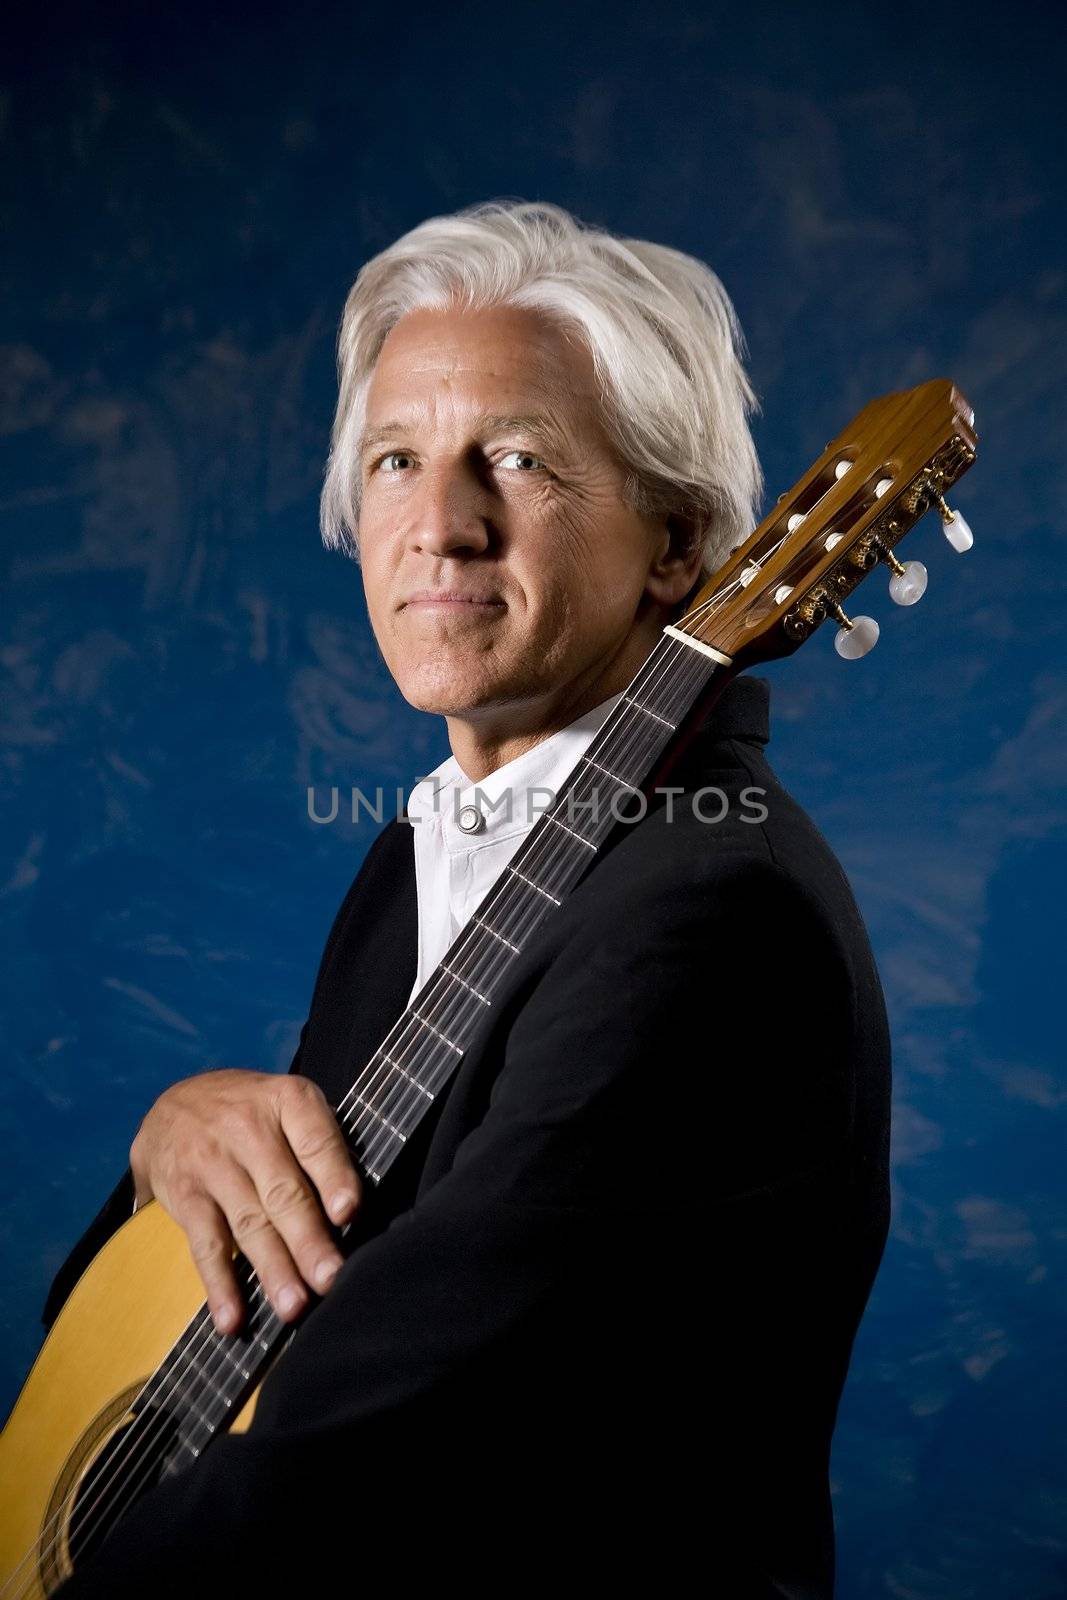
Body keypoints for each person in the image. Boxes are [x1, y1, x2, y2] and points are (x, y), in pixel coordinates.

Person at [46, 201, 891, 1598]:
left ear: (675, 543)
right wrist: (165, 1163)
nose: (440, 526)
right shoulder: (425, 856)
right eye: (396, 460)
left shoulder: (715, 916)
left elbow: (378, 1461)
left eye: (518, 459)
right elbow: (266, 1337)